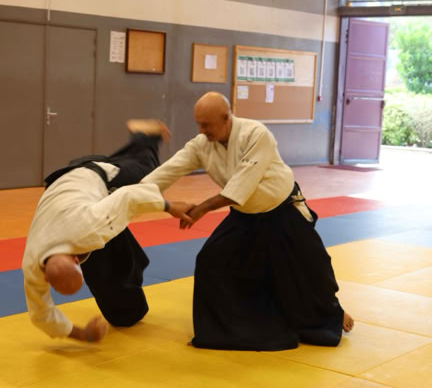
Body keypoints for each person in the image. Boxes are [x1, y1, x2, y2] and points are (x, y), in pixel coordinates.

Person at [141, 92, 354, 351]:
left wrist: (202, 208)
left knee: (310, 270)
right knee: (211, 261)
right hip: (245, 215)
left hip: (282, 211)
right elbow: (167, 171)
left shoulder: (256, 134)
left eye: (207, 124)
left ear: (226, 118)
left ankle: (333, 313)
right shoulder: (201, 145)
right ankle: (223, 331)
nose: (202, 130)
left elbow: (241, 186)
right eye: (199, 124)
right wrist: (134, 194)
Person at [22, 119, 193, 343]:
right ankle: (139, 138)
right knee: (123, 167)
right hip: (67, 182)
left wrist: (170, 207)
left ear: (76, 260)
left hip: (93, 176)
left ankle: (146, 137)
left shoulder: (87, 228)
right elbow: (41, 315)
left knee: (149, 178)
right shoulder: (32, 265)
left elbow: (129, 197)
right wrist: (83, 334)